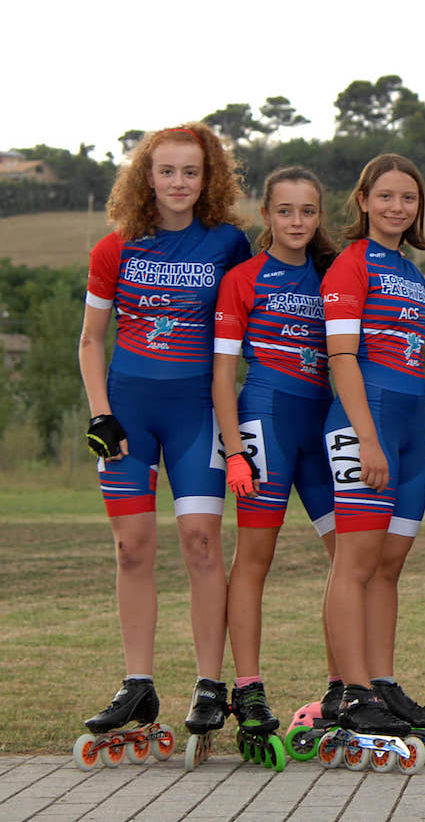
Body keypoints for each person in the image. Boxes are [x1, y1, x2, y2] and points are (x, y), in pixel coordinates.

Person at [78, 123, 251, 738]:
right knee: (132, 549)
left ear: (208, 179)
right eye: (167, 171)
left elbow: (271, 297)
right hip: (127, 414)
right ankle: (137, 685)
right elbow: (91, 340)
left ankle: (209, 685)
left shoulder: (228, 243)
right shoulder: (114, 249)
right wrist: (100, 413)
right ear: (146, 177)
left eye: (191, 172)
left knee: (202, 543)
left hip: (196, 413)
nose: (179, 182)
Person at [320, 153, 425, 735]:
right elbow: (342, 358)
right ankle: (351, 693)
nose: (398, 207)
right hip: (363, 427)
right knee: (355, 564)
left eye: (409, 198)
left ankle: (382, 682)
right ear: (364, 201)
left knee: (389, 566)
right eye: (387, 196)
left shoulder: (411, 274)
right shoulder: (351, 265)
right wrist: (367, 440)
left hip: (411, 433)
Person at [212, 166, 340, 735]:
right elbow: (222, 375)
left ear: (319, 216)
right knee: (254, 559)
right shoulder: (243, 279)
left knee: (349, 558)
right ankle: (248, 689)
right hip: (264, 422)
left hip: (322, 425)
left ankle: (343, 688)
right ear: (266, 215)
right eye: (284, 211)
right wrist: (235, 452)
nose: (296, 221)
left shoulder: (333, 275)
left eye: (307, 211)